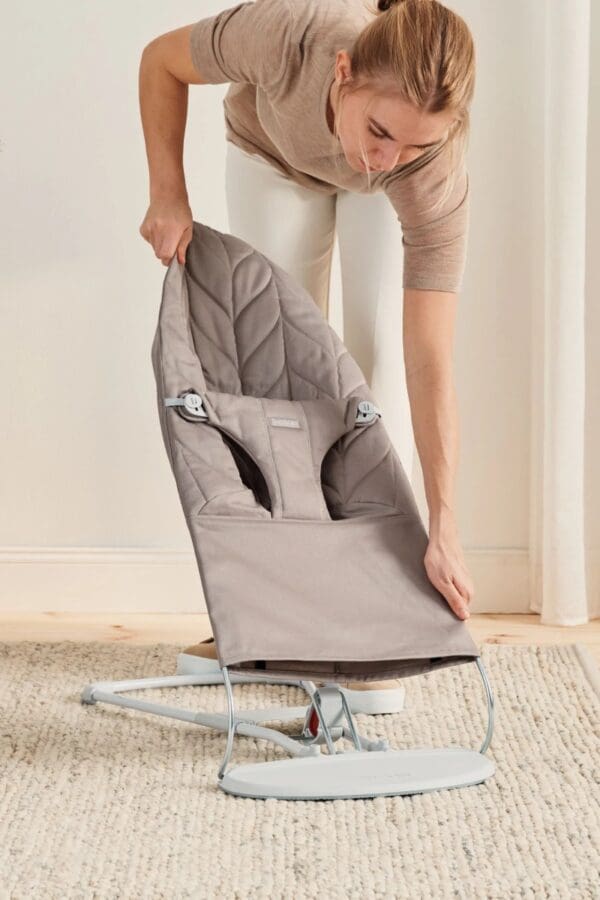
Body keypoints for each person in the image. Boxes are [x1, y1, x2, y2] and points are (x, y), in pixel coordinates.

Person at [138, 0, 475, 699]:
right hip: (273, 153)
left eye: (413, 144)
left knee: (375, 378)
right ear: (343, 72)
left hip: (386, 196)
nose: (385, 157)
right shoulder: (287, 34)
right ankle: (270, 617)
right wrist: (168, 192)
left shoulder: (424, 170)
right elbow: (161, 61)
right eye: (380, 131)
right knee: (270, 383)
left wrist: (445, 522)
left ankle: (375, 620)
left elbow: (430, 360)